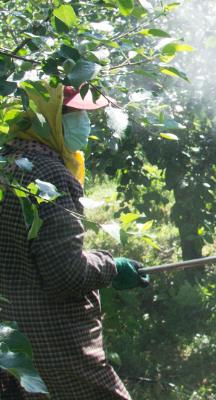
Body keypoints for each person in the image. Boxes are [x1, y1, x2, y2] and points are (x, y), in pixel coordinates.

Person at [0, 81, 149, 399]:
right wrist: (112, 267)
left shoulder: (7, 163)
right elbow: (65, 273)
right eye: (74, 115)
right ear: (47, 117)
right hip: (53, 343)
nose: (85, 125)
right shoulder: (47, 174)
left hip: (12, 343)